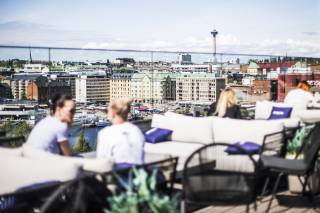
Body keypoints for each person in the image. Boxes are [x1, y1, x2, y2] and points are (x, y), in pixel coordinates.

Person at [96, 98, 144, 167]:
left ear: (113, 112)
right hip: (137, 173)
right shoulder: (136, 130)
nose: (106, 113)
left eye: (107, 111)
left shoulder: (106, 133)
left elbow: (102, 161)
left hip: (118, 174)